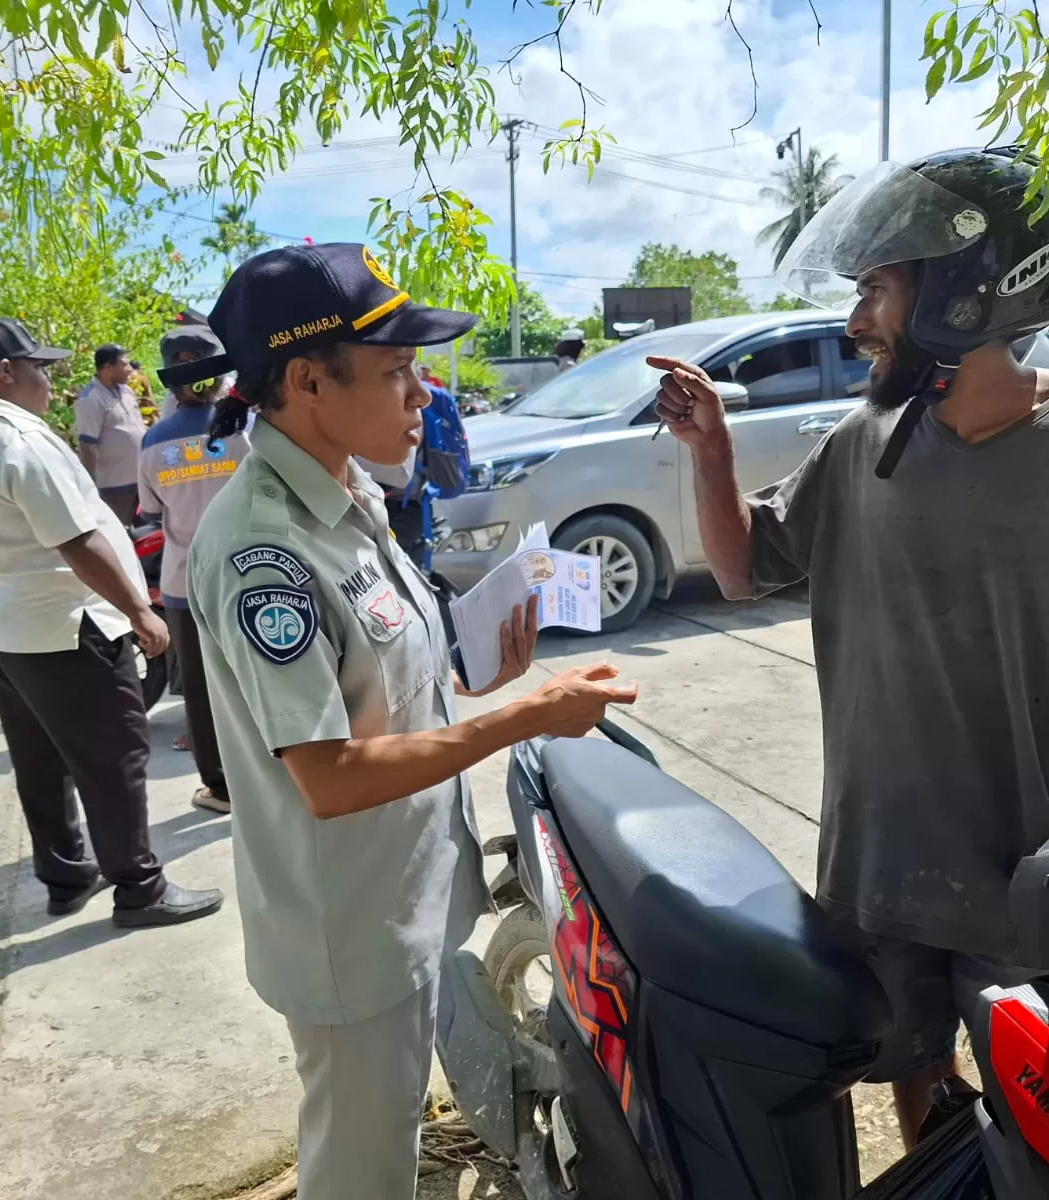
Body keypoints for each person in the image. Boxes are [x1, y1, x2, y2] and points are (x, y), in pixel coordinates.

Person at [649, 148, 1049, 1150]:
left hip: (1034, 886)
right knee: (923, 1103)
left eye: (876, 290)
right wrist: (712, 452)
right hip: (878, 873)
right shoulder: (866, 444)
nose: (858, 322)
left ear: (961, 294)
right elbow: (745, 570)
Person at [175, 243, 638, 1200]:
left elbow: (377, 672)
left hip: (408, 886)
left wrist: (477, 668)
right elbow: (332, 774)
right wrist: (525, 717)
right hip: (350, 926)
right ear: (308, 380)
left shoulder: (345, 489)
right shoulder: (267, 545)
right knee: (362, 1169)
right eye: (395, 373)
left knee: (383, 1141)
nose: (423, 393)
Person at [0, 317, 224, 928]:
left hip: (4, 626)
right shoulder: (19, 440)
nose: (48, 384)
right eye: (40, 369)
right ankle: (140, 888)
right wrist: (141, 612)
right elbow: (79, 541)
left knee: (41, 762)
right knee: (114, 759)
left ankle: (66, 876)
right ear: (6, 373)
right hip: (67, 626)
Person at [137, 326, 250, 814]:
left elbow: (148, 511)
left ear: (172, 386)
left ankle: (221, 788)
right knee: (257, 676)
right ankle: (269, 774)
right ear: (220, 377)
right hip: (250, 574)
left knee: (201, 691)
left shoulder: (152, 443)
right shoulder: (247, 431)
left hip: (186, 583)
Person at [76, 342, 147, 525]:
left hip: (141, 480)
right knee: (120, 534)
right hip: (115, 486)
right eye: (124, 364)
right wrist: (90, 487)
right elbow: (87, 446)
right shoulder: (91, 399)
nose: (130, 369)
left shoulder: (127, 391)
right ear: (108, 367)